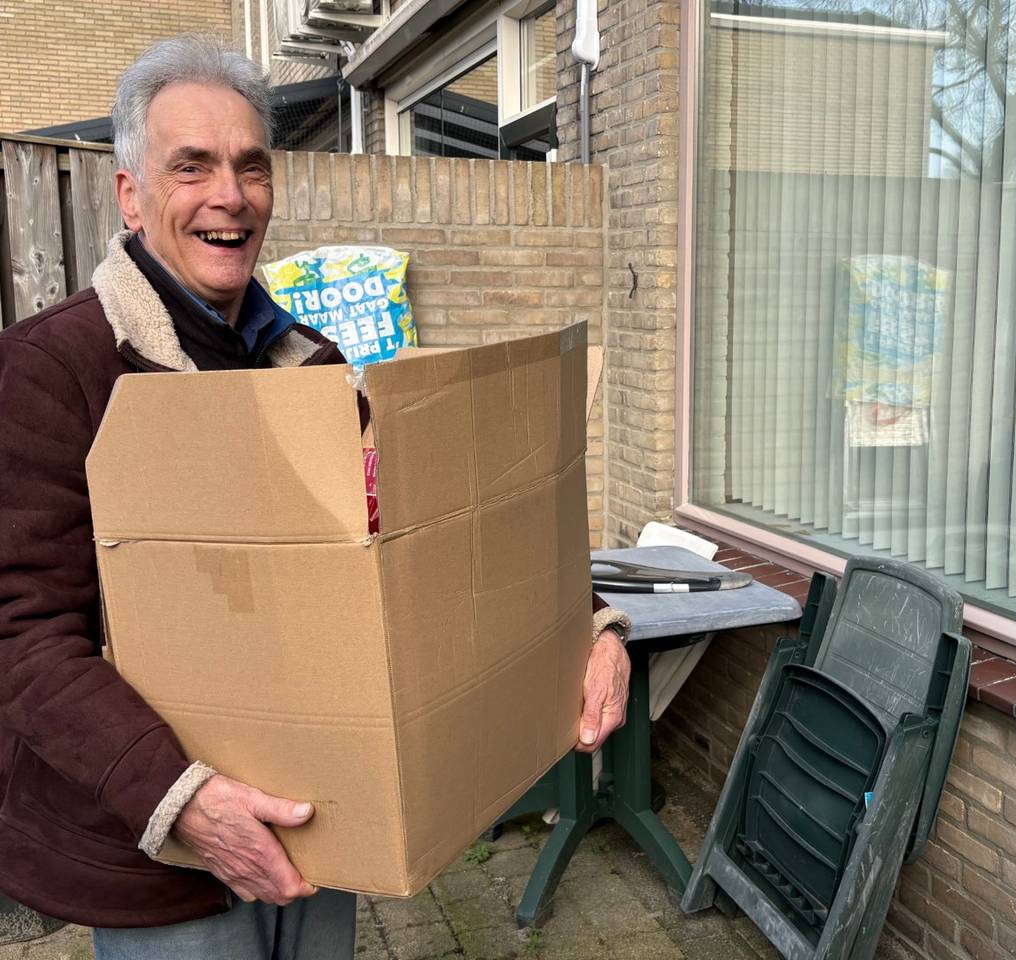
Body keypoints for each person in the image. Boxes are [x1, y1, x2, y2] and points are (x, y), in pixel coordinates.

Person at [0, 34, 632, 960]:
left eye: (252, 167)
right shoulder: (52, 372)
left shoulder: (312, 365)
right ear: (130, 195)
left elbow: (424, 536)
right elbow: (20, 634)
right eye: (192, 166)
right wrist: (183, 800)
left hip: (326, 818)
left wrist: (591, 624)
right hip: (164, 858)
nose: (230, 195)